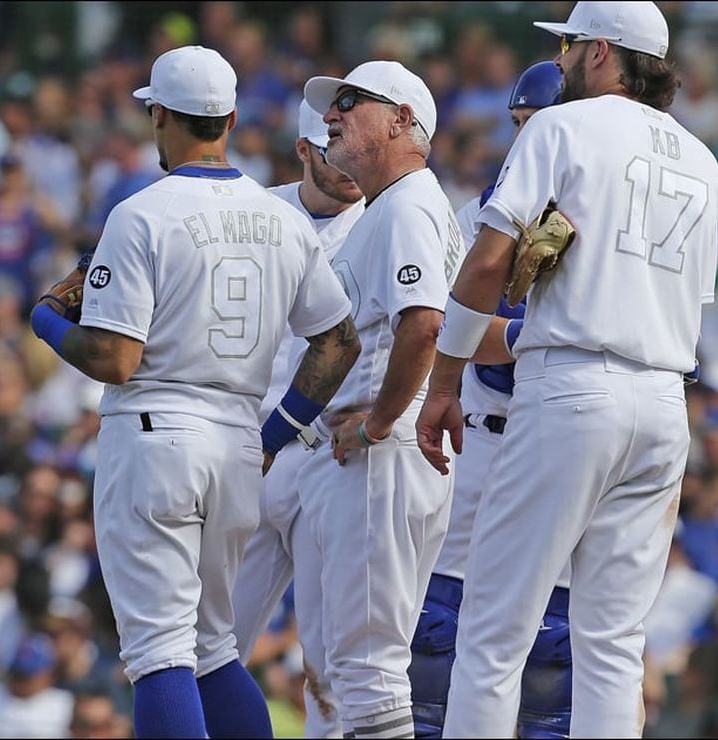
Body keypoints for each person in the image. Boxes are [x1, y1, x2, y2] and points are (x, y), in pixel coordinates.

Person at [28, 46, 360, 738]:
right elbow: (338, 342)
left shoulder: (140, 213)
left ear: (159, 117)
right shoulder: (282, 218)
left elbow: (116, 357)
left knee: (159, 653)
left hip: (157, 433)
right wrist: (274, 436)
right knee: (213, 649)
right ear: (231, 117)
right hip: (240, 437)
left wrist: (46, 323)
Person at [416, 3, 718, 736]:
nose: (559, 61)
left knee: (493, 629)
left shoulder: (560, 126)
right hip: (662, 398)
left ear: (602, 52)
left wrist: (446, 378)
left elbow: (488, 262)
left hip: (574, 386)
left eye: (570, 47)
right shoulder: (703, 159)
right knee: (612, 644)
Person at [408, 60, 572, 739]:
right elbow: (446, 329)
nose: (526, 138)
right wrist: (535, 333)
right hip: (478, 430)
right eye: (519, 124)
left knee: (553, 641)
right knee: (436, 627)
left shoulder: (612, 218)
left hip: (563, 434)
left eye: (540, 124)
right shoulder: (477, 216)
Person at [300, 60, 464, 738]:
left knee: (368, 668)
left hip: (376, 457)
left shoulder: (406, 203)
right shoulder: (397, 205)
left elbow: (423, 323)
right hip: (380, 454)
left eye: (350, 102)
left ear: (401, 119)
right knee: (359, 666)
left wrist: (378, 422)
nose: (332, 114)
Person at [230, 99, 365, 738]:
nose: (347, 165)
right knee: (213, 643)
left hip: (327, 448)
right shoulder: (253, 210)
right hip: (248, 446)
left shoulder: (384, 218)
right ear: (304, 150)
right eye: (330, 151)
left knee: (327, 659)